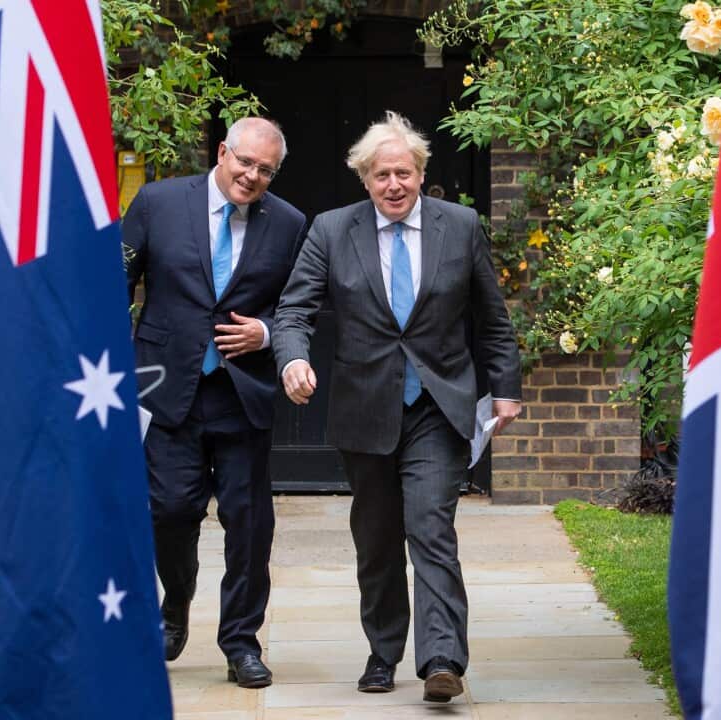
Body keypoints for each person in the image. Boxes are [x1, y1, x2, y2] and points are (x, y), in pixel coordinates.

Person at [272, 111, 522, 704]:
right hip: (365, 409)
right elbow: (294, 310)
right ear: (364, 178)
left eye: (404, 173)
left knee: (430, 526)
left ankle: (441, 659)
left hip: (438, 405)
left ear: (420, 173)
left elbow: (492, 319)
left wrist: (505, 387)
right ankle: (383, 652)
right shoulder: (332, 231)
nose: (393, 184)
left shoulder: (459, 227)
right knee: (377, 536)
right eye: (381, 174)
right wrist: (292, 359)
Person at [122, 117, 306, 689]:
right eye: (245, 162)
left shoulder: (290, 224)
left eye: (265, 170)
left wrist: (268, 333)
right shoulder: (157, 202)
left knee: (249, 524)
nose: (252, 176)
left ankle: (241, 644)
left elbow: (303, 305)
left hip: (241, 394)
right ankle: (175, 602)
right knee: (169, 511)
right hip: (167, 388)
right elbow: (112, 281)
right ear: (222, 152)